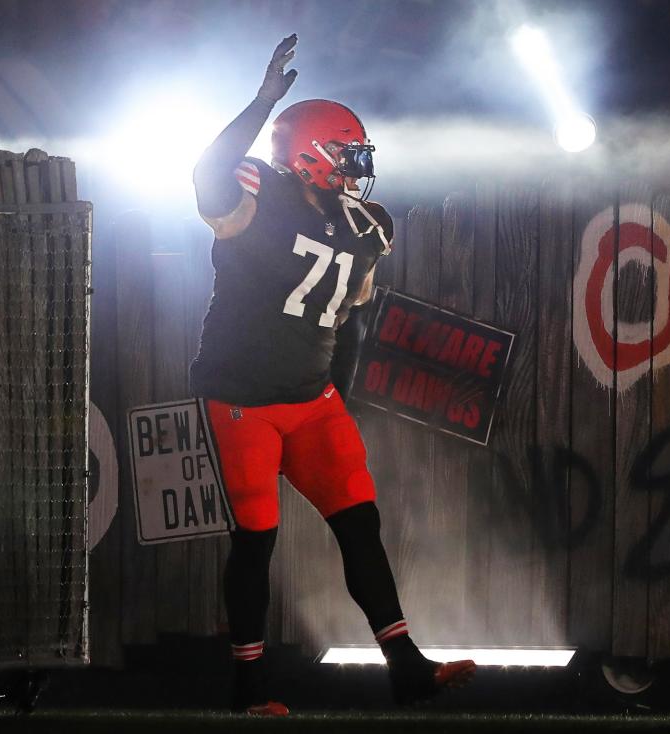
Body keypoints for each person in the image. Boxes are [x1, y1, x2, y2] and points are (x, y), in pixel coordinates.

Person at [189, 34, 476, 716]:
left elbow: (350, 318)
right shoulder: (255, 197)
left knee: (360, 523)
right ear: (309, 153)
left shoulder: (364, 227)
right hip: (244, 401)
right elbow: (209, 171)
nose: (356, 170)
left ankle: (406, 667)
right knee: (257, 539)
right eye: (346, 155)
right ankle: (249, 687)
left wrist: (334, 397)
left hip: (312, 399)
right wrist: (263, 103)